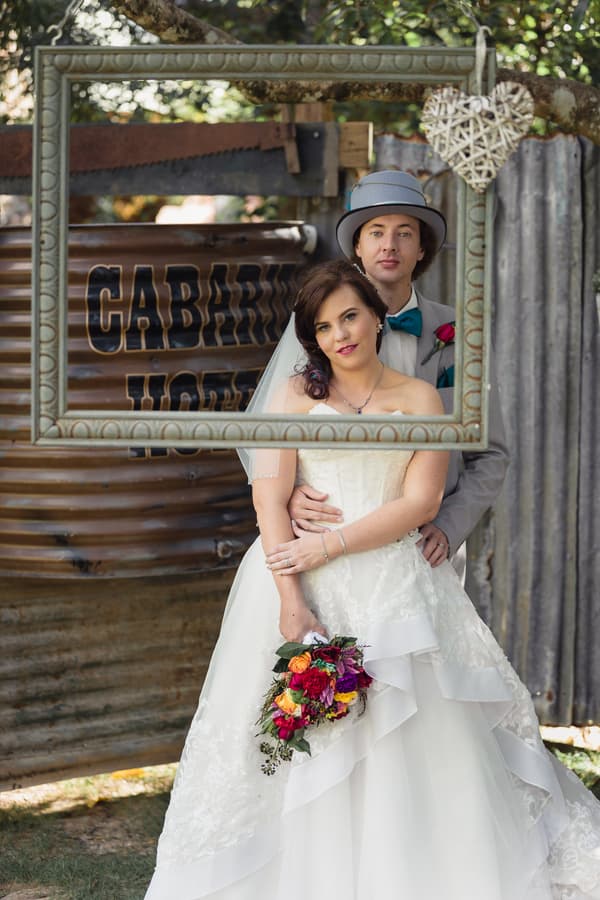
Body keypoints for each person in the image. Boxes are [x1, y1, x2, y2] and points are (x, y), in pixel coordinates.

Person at [145, 260, 600, 900]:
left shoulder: (420, 399)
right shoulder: (293, 397)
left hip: (394, 581)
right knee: (298, 737)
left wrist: (328, 544)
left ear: (376, 316)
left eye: (350, 316)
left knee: (412, 736)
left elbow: (419, 503)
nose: (341, 335)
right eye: (324, 326)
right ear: (312, 338)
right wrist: (290, 600)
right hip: (294, 579)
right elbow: (269, 501)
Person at [256, 170, 509, 574]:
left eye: (404, 233)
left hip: (425, 548)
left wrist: (447, 526)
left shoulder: (462, 335)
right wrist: (288, 496)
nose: (389, 245)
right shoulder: (323, 330)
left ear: (423, 248)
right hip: (325, 535)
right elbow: (275, 431)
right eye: (376, 232)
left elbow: (490, 452)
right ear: (358, 245)